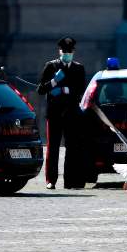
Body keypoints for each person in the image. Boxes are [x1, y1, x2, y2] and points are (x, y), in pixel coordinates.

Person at [37, 36, 86, 189]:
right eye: (64, 51)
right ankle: (50, 180)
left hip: (71, 113)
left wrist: (67, 90)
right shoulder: (51, 67)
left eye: (69, 52)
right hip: (54, 114)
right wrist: (54, 82)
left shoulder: (78, 68)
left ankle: (70, 181)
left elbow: (81, 92)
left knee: (72, 147)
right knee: (53, 148)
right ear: (60, 51)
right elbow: (40, 89)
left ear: (73, 52)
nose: (67, 54)